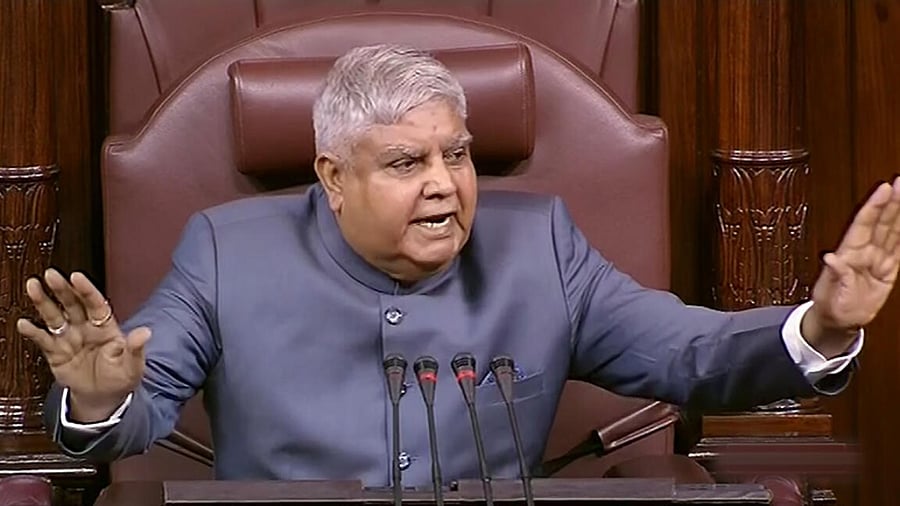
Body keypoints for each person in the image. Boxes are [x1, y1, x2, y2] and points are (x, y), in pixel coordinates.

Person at [16, 44, 899, 487]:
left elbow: (687, 353)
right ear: (332, 176)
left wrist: (819, 328)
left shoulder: (540, 242)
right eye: (407, 164)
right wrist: (99, 398)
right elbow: (136, 410)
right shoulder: (225, 250)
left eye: (460, 155)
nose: (446, 186)